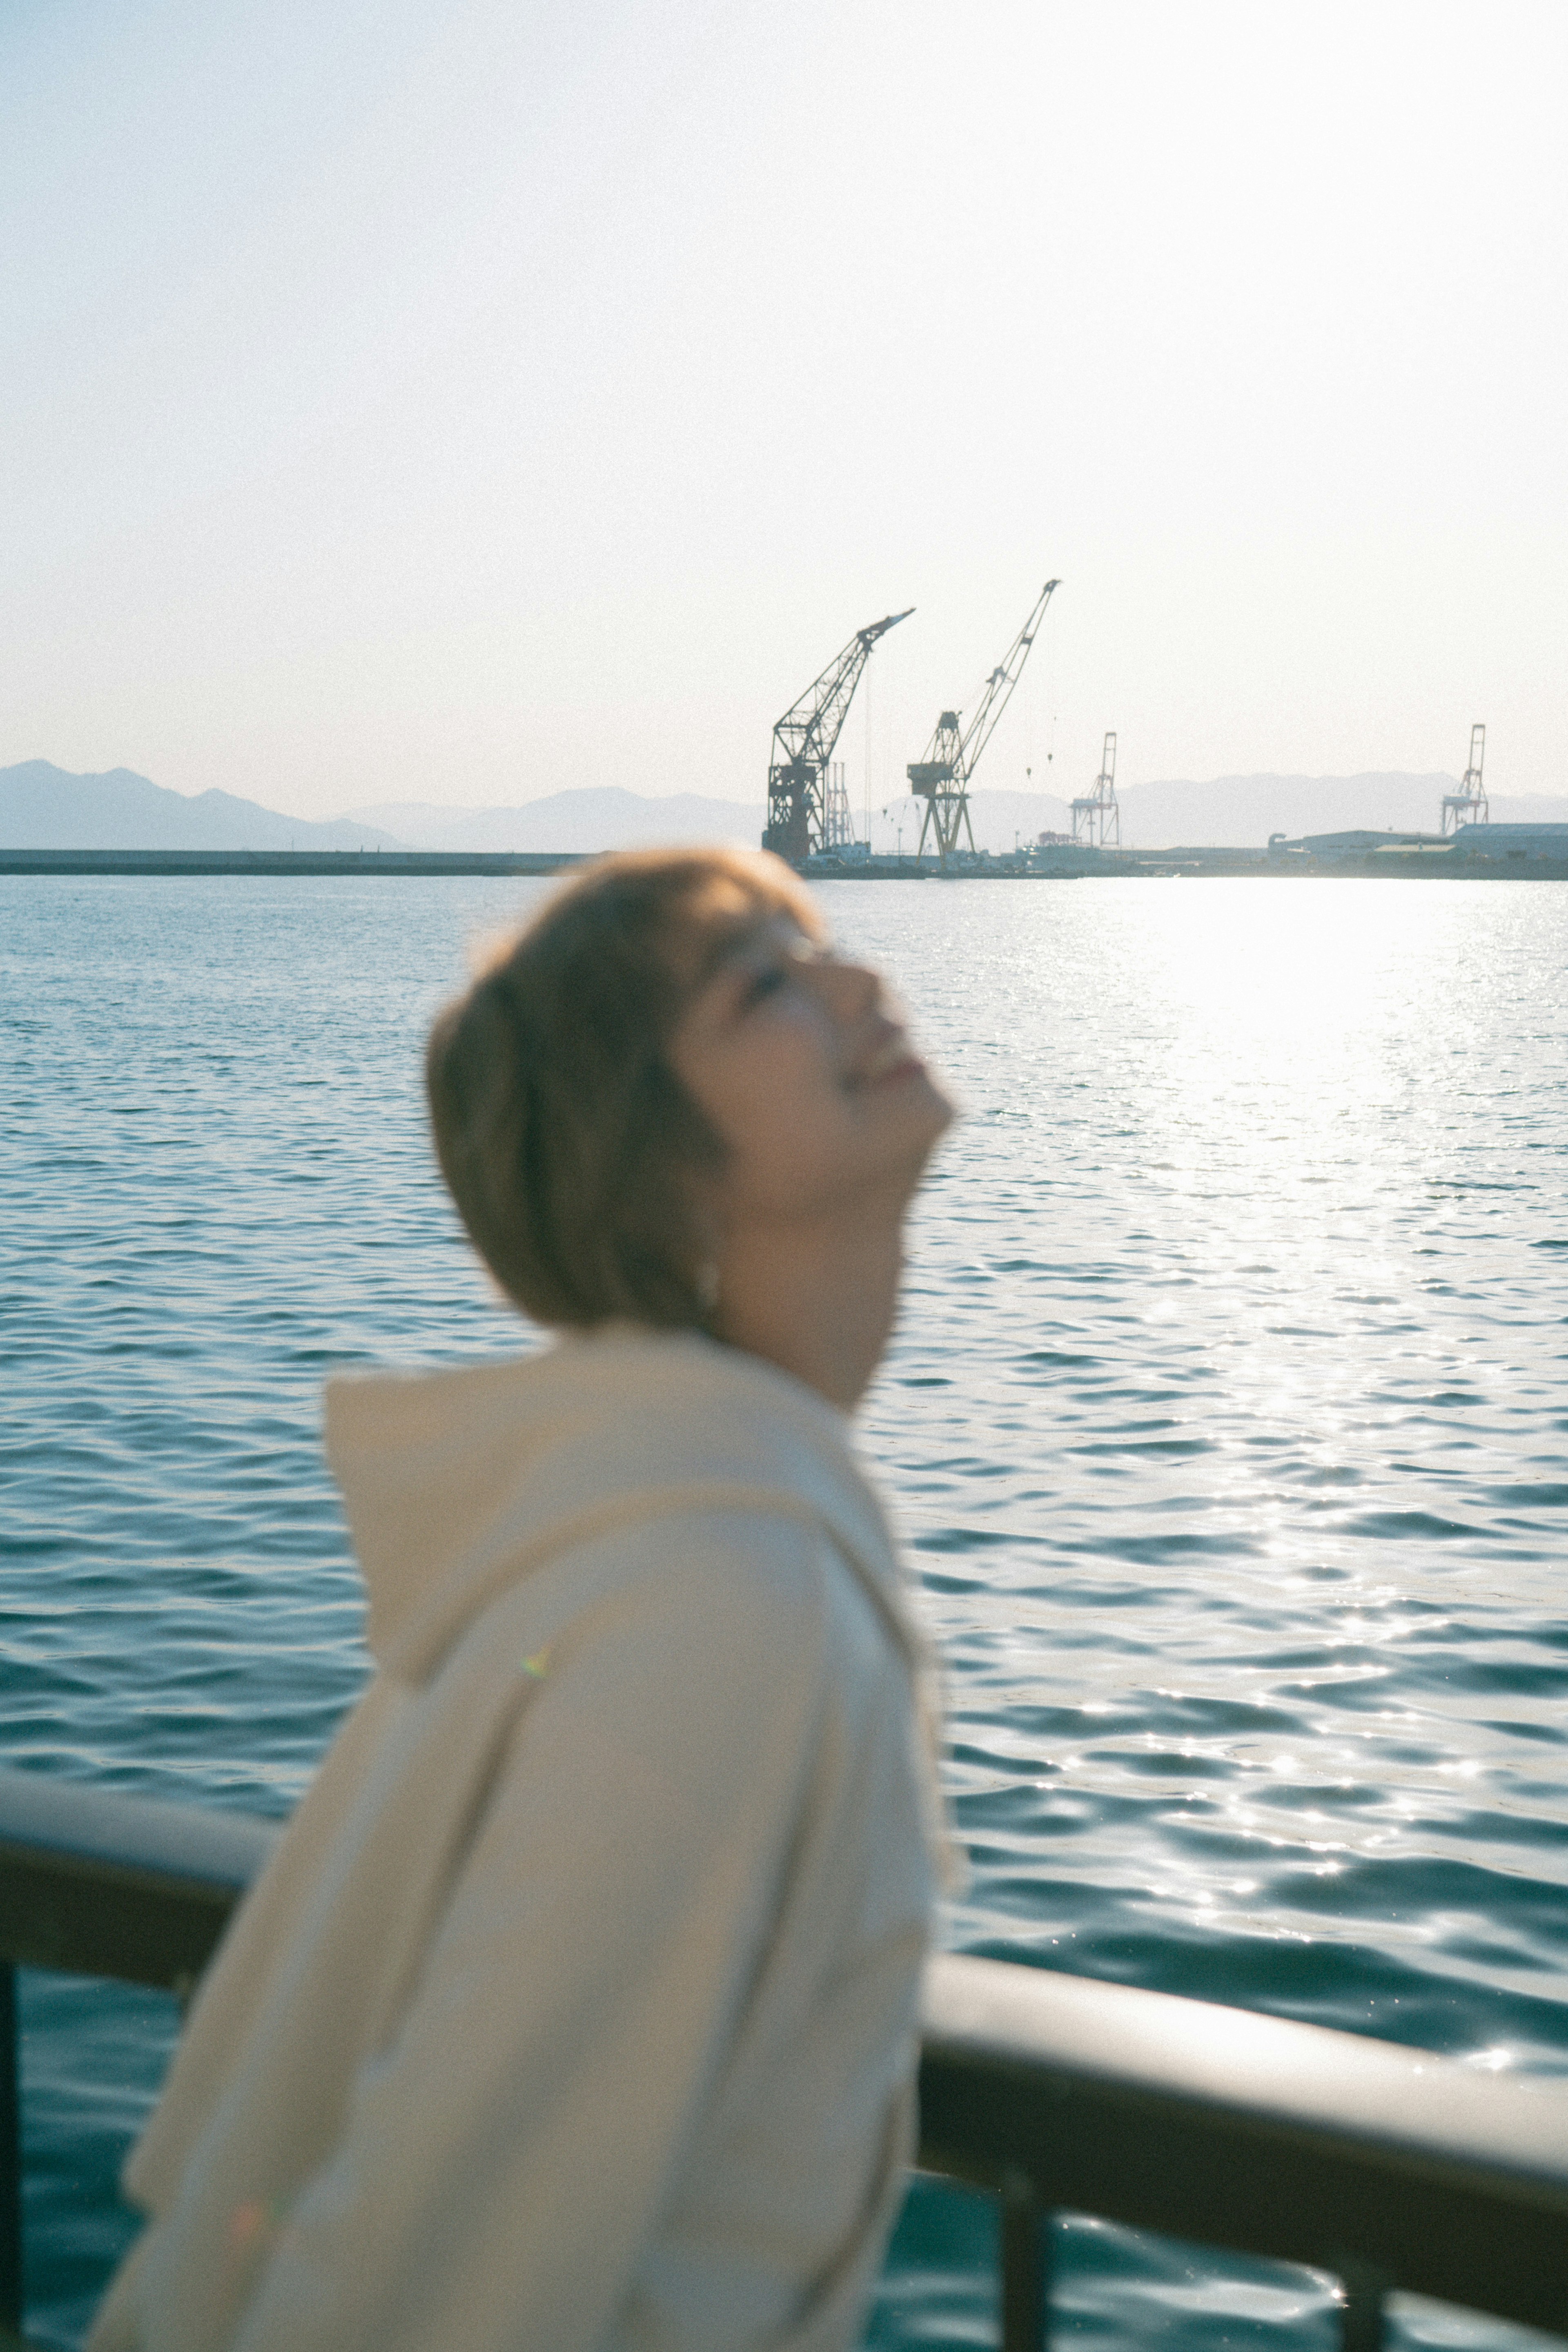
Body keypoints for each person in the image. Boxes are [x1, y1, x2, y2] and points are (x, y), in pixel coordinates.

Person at [88, 845, 954, 2352]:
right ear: (655, 1159)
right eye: (766, 987)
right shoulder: (718, 1602)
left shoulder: (638, 1527)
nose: (859, 985)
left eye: (817, 951)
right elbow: (439, 2273)